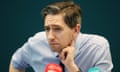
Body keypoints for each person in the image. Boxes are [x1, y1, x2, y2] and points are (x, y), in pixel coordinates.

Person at [9, 1, 113, 72]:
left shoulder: (97, 47)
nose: (50, 37)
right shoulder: (36, 42)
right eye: (47, 29)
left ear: (76, 30)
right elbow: (16, 64)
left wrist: (72, 67)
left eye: (57, 29)